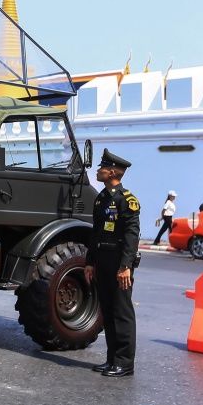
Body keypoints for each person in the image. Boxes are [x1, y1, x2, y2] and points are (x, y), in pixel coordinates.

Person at [85, 149, 140, 378]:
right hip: (103, 262)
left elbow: (131, 235)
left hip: (119, 264)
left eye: (101, 168)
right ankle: (112, 360)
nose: (97, 171)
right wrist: (90, 262)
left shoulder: (128, 200)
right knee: (107, 310)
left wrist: (125, 266)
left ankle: (125, 363)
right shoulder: (101, 199)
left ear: (112, 172)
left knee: (122, 312)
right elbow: (96, 233)